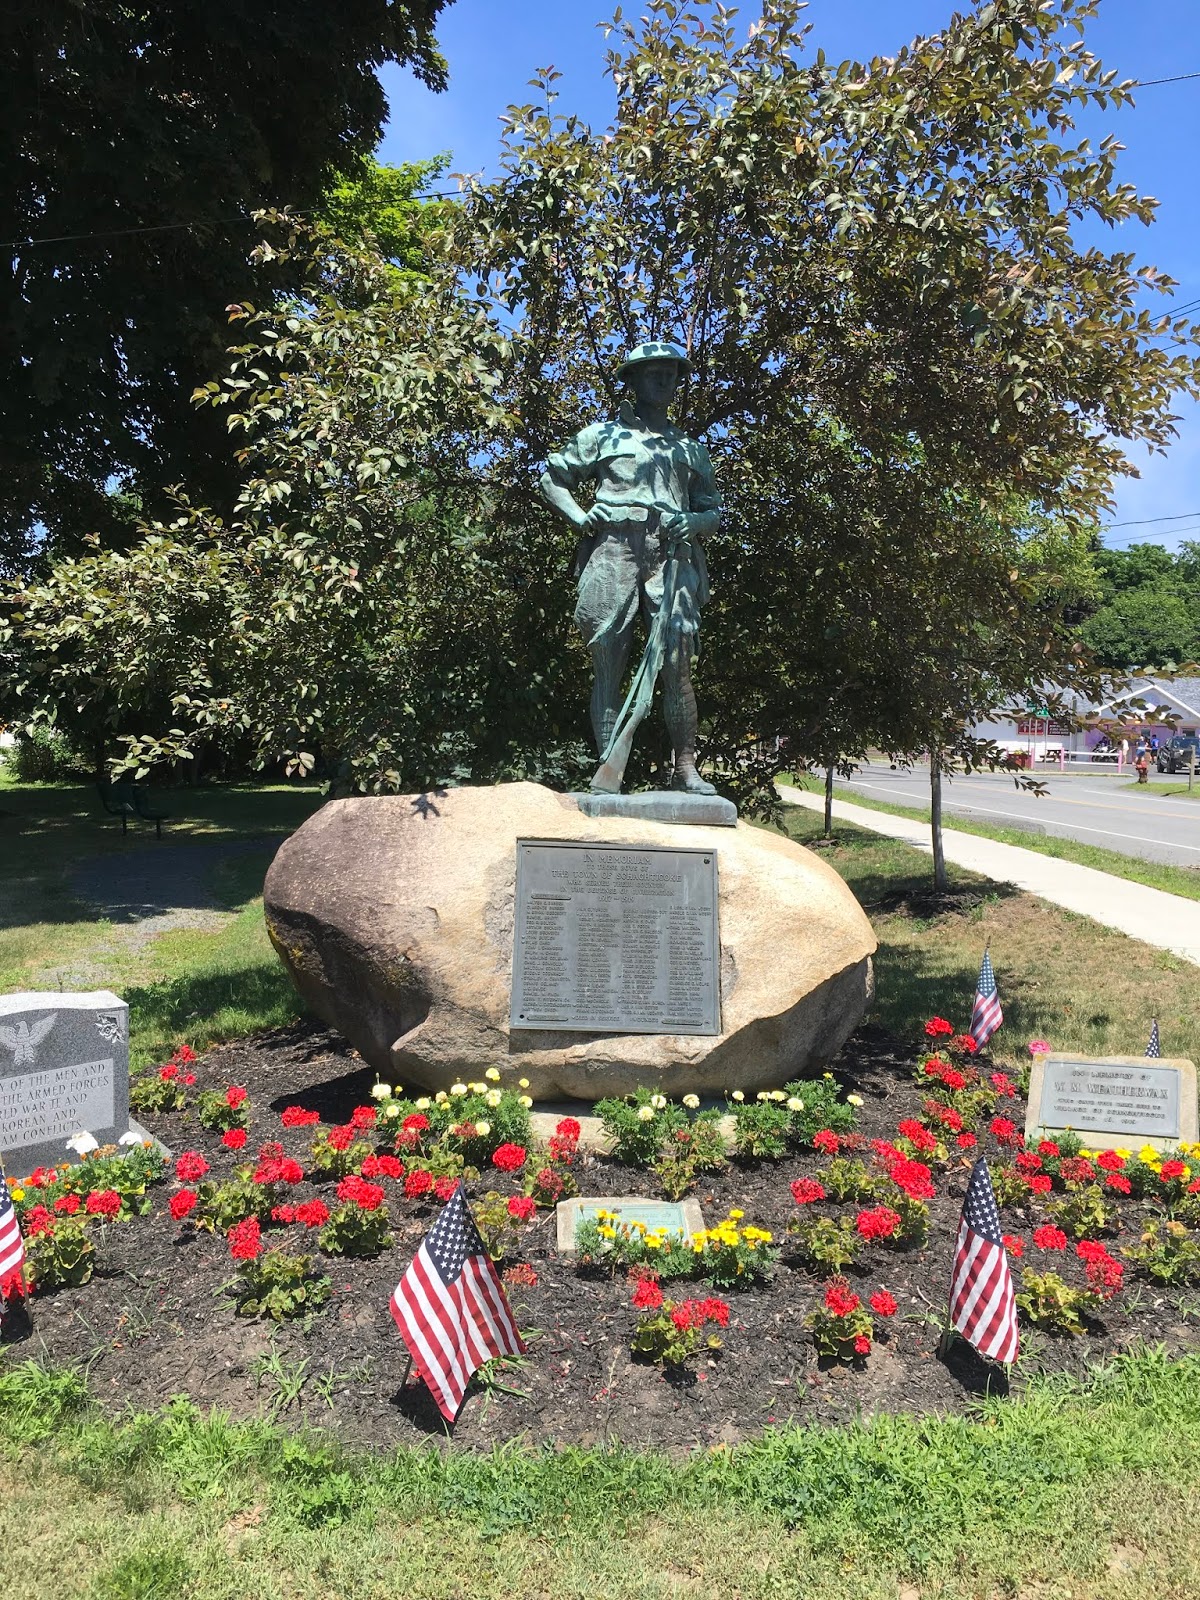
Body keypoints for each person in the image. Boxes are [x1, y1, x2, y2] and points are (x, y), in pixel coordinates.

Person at [539, 341, 721, 794]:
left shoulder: (690, 448)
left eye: (670, 373)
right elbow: (552, 479)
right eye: (653, 372)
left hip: (671, 555)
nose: (663, 380)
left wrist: (693, 521)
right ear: (632, 380)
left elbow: (712, 511)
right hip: (614, 550)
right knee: (609, 659)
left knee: (677, 660)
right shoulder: (602, 436)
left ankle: (686, 768)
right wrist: (580, 517)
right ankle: (609, 771)